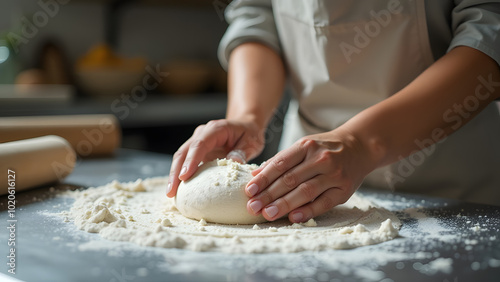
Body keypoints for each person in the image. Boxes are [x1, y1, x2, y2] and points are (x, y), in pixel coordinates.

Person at [167, 0, 500, 223]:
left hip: (451, 188)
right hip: (303, 189)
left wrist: (362, 143)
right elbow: (256, 14)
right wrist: (247, 117)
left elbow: (488, 31)